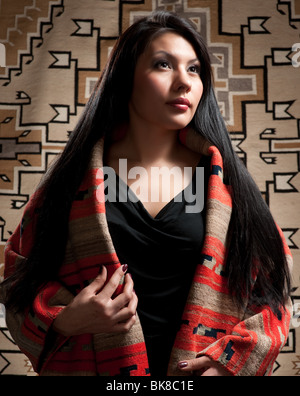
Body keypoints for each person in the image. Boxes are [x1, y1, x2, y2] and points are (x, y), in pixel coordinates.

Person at [0, 11, 293, 376]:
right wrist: (65, 319)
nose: (184, 83)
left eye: (195, 69)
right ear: (126, 79)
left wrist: (227, 364)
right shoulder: (71, 183)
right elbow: (16, 284)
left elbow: (274, 301)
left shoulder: (229, 187)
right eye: (163, 65)